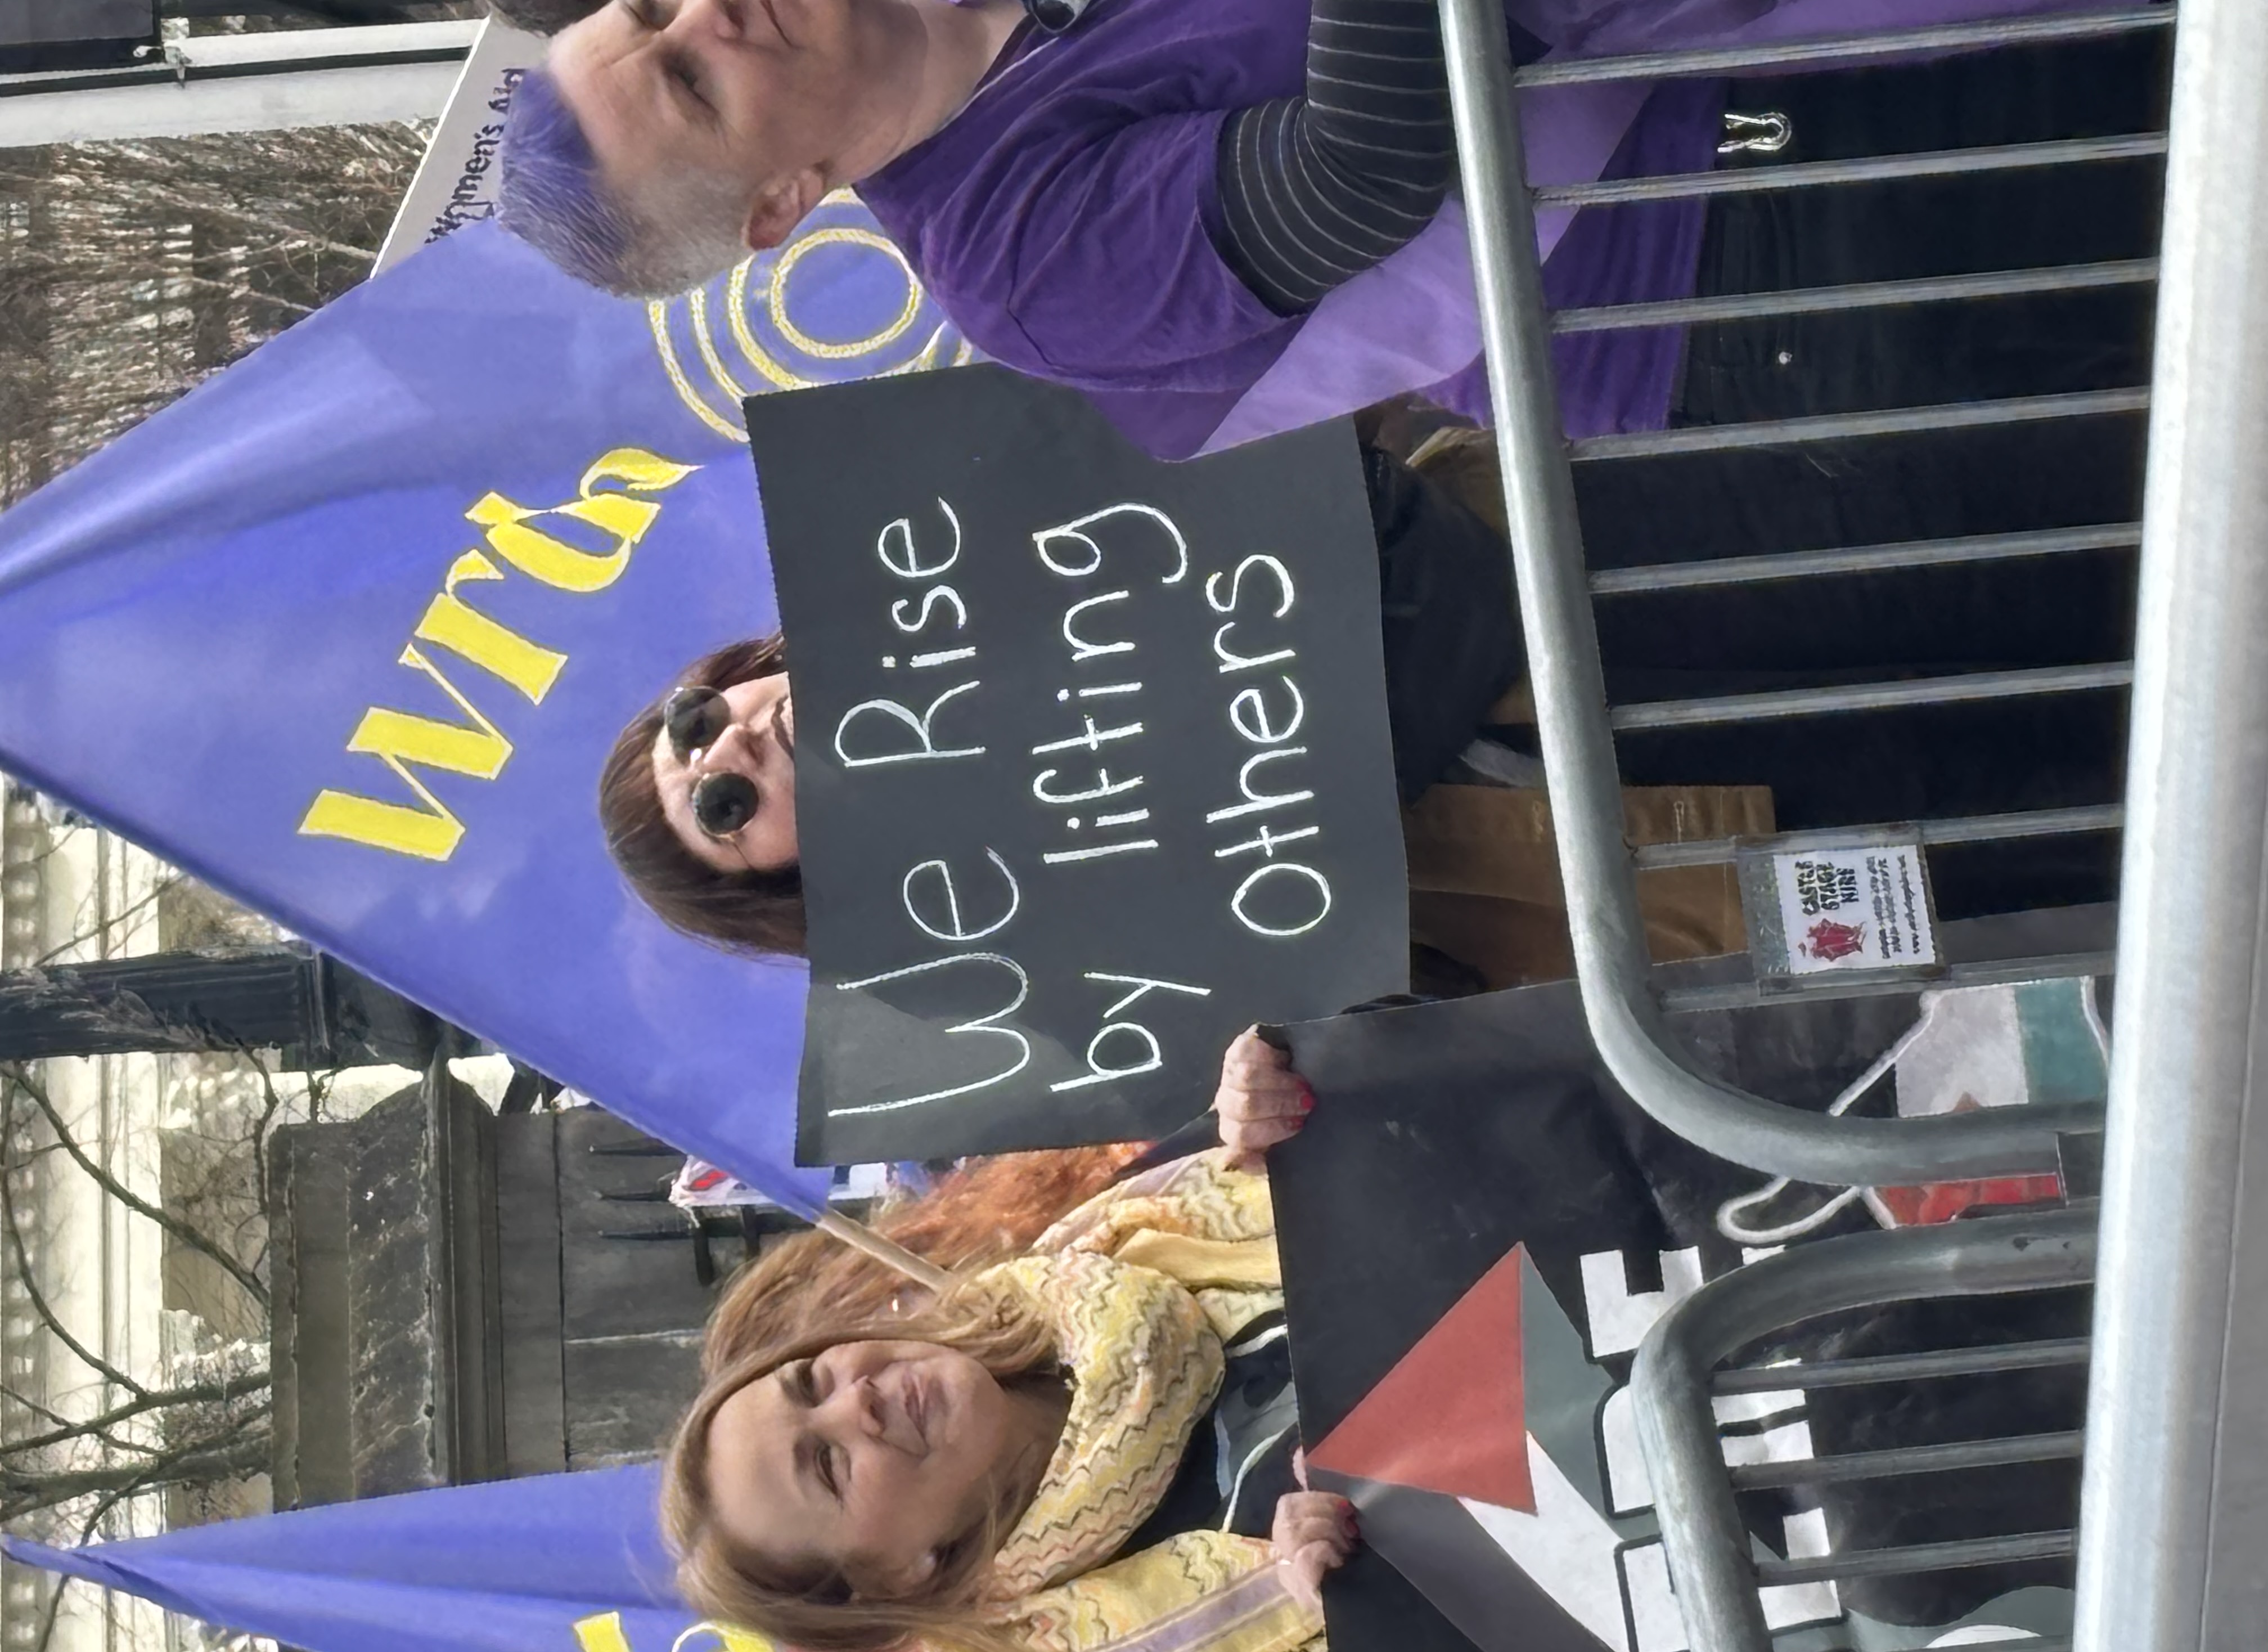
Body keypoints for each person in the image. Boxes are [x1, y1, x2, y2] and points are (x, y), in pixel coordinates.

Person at [493, 0, 2115, 460]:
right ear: (779, 210)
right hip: (1731, 252)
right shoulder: (1017, 267)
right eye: (694, 82)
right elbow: (1357, 170)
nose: (716, 14)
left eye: (657, 7)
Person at [598, 442, 1531, 959]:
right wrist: (1254, 1072)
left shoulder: (946, 526)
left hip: (1540, 519)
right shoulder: (1027, 954)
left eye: (696, 721)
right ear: (785, 882)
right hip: (1579, 783)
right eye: (722, 807)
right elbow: (1363, 989)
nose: (732, 748)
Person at [665, 1029, 1340, 1652]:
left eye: (812, 1381)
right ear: (896, 1579)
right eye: (827, 1465)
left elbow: (1398, 1046)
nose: (857, 1401)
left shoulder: (1108, 1238)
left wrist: (1271, 1081)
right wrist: (1374, 1598)